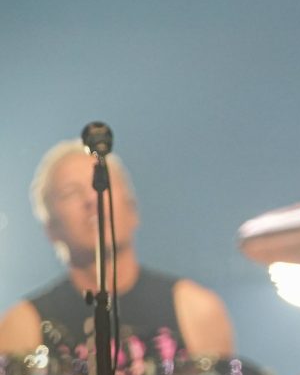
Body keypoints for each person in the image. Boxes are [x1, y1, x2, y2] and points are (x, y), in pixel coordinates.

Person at [0, 139, 234, 357]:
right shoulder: (22, 328)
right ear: (51, 229)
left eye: (101, 183)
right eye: (70, 193)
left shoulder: (196, 309)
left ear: (133, 209)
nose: (91, 199)